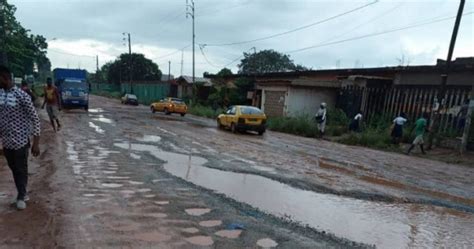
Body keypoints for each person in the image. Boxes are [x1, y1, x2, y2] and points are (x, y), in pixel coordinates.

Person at [0, 65, 41, 210]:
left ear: (5, 78)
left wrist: (36, 142)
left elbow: (35, 118)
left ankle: (22, 195)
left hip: (21, 141)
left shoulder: (22, 96)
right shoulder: (0, 95)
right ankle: (21, 192)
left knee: (21, 169)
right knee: (13, 168)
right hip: (7, 142)